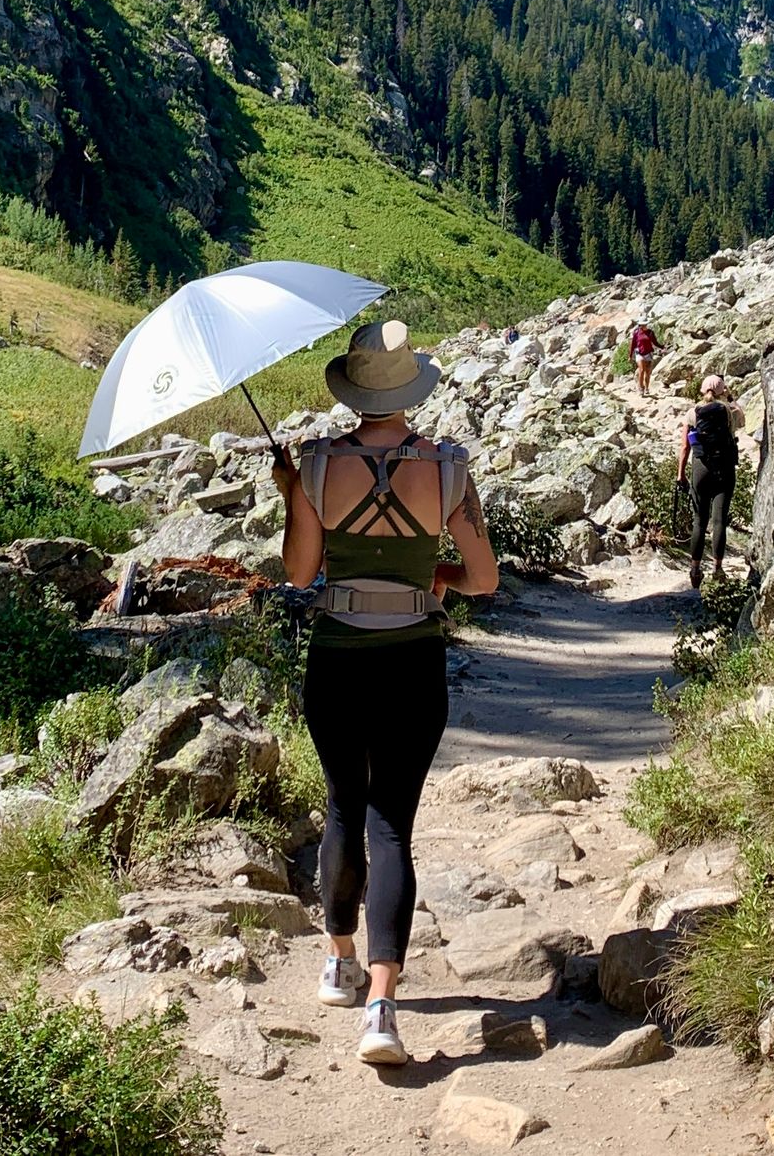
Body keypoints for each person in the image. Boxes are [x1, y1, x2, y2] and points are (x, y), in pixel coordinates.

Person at [273, 320, 500, 1068]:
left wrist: (291, 497)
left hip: (339, 658)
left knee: (342, 804)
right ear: (410, 387)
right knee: (392, 825)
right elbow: (485, 579)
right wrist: (437, 576)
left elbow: (301, 574)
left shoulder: (315, 466)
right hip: (413, 662)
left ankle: (337, 959)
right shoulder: (447, 469)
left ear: (354, 388)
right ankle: (382, 1007)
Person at [675, 373, 743, 590]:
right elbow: (743, 419)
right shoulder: (729, 411)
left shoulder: (692, 413)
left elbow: (685, 447)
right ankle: (718, 569)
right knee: (719, 521)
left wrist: (680, 475)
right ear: (723, 390)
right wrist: (731, 397)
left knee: (699, 521)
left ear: (702, 391)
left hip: (700, 468)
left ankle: (695, 570)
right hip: (724, 468)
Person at [629, 319, 658, 396]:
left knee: (647, 373)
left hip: (648, 353)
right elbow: (633, 344)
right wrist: (630, 355)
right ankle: (641, 388)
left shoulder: (650, 333)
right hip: (639, 353)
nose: (643, 326)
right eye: (641, 325)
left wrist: (662, 347)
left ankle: (647, 388)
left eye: (644, 324)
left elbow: (655, 342)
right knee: (641, 370)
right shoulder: (636, 333)